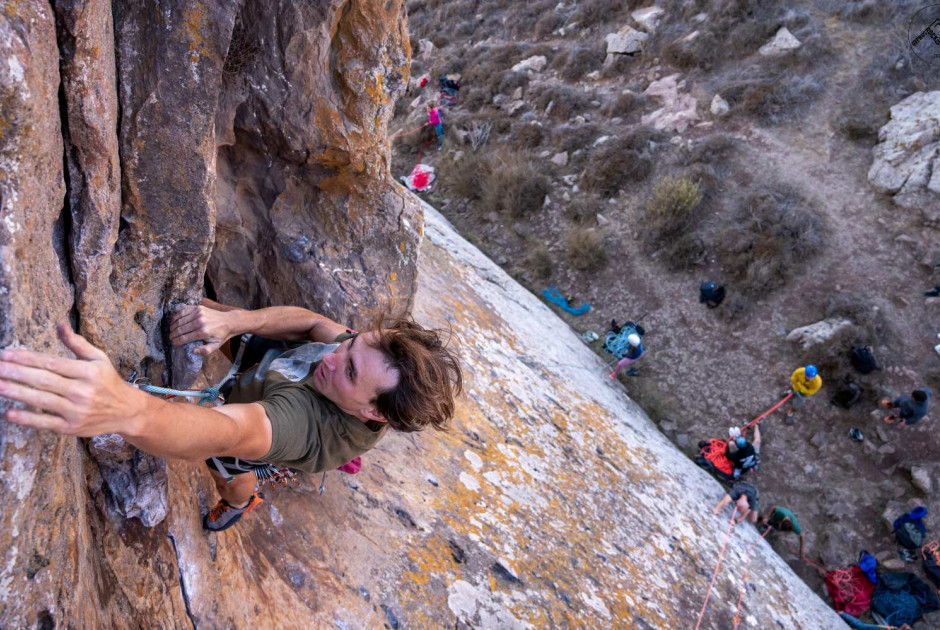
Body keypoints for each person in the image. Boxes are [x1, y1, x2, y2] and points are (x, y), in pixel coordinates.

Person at [0, 298, 463, 532]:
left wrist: (127, 409)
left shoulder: (307, 430)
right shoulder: (347, 356)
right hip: (280, 369)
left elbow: (228, 430)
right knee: (208, 313)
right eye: (351, 344)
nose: (335, 355)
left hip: (274, 406)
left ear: (371, 411)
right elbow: (312, 325)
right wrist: (236, 319)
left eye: (350, 369)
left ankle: (241, 503)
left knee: (230, 468)